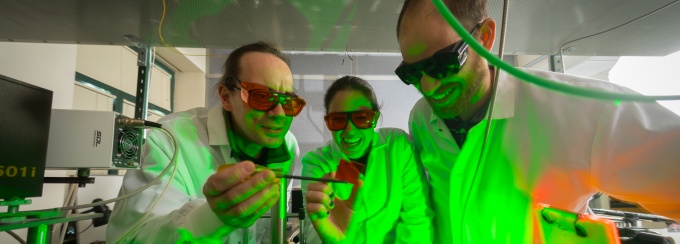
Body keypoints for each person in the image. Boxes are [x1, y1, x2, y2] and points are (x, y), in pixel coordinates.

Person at [396, 0, 680, 243]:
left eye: (442, 64)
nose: (429, 86)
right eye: (412, 73)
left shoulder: (583, 110)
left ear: (484, 37)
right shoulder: (421, 117)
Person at [107, 42, 306, 243]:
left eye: (288, 102)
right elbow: (130, 238)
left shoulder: (288, 146)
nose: (279, 114)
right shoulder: (171, 141)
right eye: (262, 96)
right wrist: (208, 220)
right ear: (226, 96)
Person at [301, 76, 433, 243]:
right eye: (338, 119)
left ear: (375, 118)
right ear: (328, 122)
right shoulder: (317, 163)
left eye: (361, 117)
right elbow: (314, 230)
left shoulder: (398, 146)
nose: (349, 129)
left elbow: (417, 220)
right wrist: (334, 240)